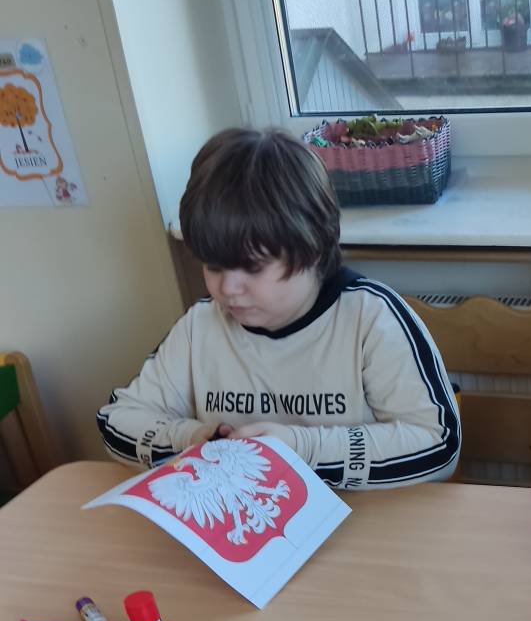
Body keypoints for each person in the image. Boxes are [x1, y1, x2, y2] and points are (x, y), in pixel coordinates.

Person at [97, 128, 460, 490]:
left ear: (313, 247)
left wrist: (300, 449)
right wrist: (191, 440)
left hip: (364, 520)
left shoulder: (370, 318)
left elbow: (439, 446)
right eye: (213, 265)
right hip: (241, 521)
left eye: (253, 267)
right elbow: (117, 421)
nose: (227, 289)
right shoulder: (200, 327)